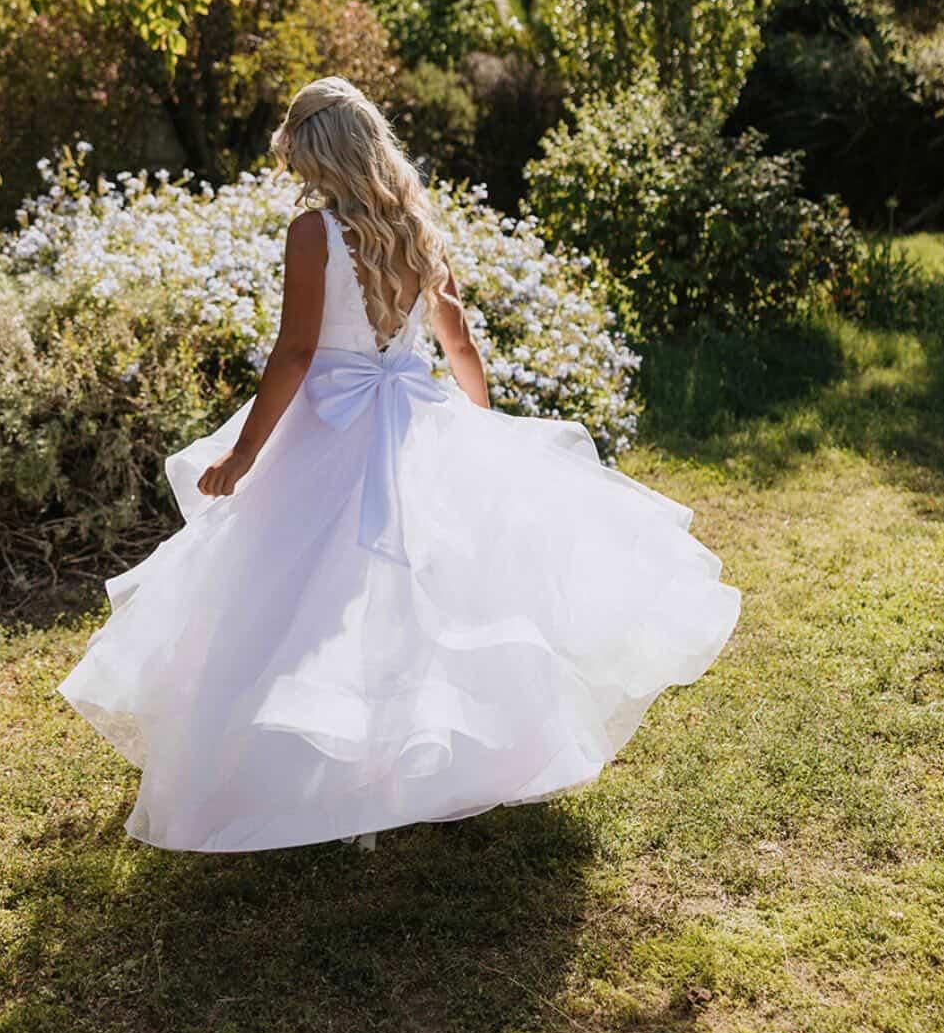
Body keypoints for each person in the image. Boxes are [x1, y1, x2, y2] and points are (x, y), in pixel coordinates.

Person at [57, 76, 740, 852]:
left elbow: (297, 351)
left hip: (332, 429)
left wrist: (245, 452)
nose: (299, 179)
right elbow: (459, 346)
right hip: (414, 419)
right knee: (419, 601)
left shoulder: (315, 234)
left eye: (299, 162)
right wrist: (482, 431)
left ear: (320, 157)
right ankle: (407, 763)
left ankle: (340, 773)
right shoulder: (418, 228)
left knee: (312, 601)